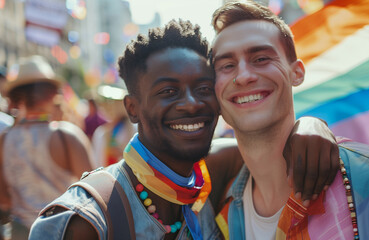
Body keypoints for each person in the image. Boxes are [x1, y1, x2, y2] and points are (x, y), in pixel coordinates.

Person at [29, 20, 338, 240]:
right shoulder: (85, 220)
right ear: (132, 108)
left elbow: (268, 145)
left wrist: (311, 125)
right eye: (168, 92)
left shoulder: (212, 175)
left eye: (203, 88)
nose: (191, 104)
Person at [210, 1, 369, 239]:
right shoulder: (219, 213)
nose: (243, 76)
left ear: (297, 73)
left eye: (261, 58)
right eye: (227, 65)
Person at [0, 56, 95, 239]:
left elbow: (3, 199)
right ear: (52, 94)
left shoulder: (4, 139)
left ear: (15, 97)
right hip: (64, 230)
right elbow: (96, 193)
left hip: (20, 233)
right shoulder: (67, 135)